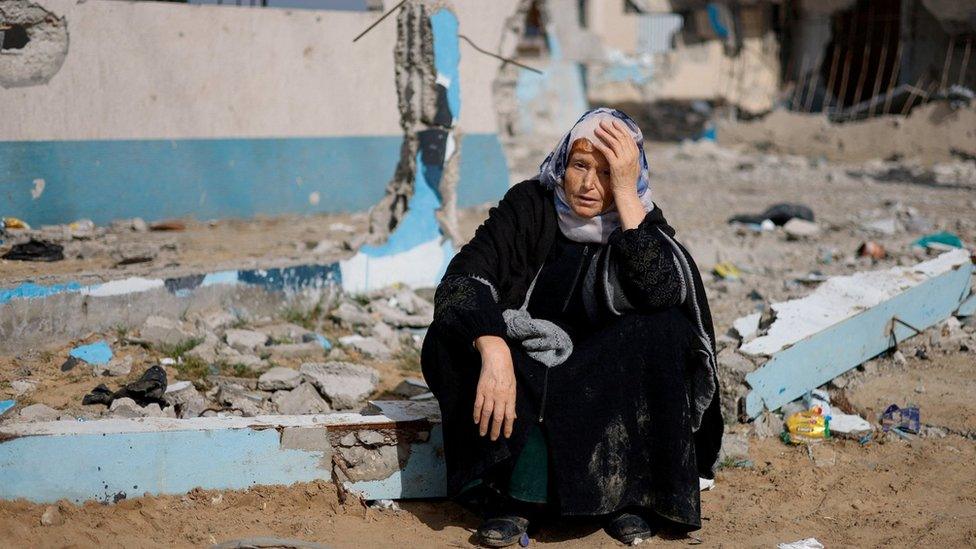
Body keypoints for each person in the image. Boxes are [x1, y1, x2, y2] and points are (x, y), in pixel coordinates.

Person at [421, 108, 723, 547]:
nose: (588, 184)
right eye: (580, 165)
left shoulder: (638, 221)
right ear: (562, 163)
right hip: (525, 366)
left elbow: (662, 293)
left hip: (597, 380)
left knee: (665, 331)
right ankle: (510, 498)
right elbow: (462, 279)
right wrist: (495, 349)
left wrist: (626, 195)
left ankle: (626, 497)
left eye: (607, 171)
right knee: (447, 339)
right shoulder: (529, 206)